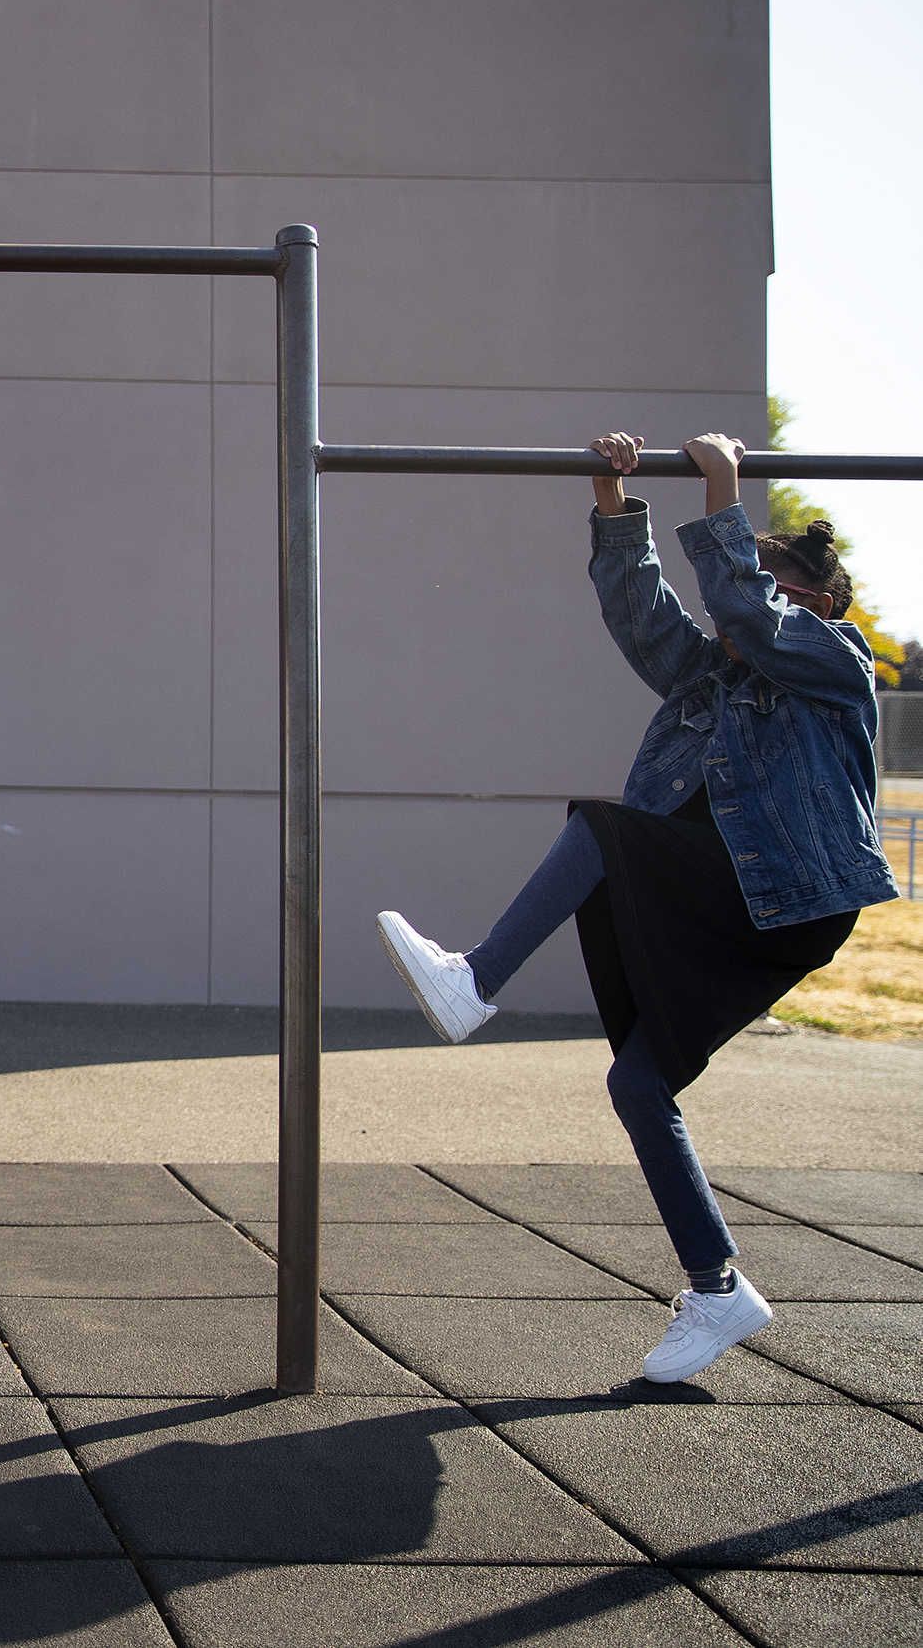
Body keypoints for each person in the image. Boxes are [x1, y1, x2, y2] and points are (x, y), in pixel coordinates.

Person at [378, 430, 897, 1381]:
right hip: (724, 904)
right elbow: (646, 617)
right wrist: (614, 498)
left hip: (796, 897)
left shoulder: (834, 667)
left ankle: (476, 980)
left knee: (604, 830)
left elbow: (743, 597)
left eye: (771, 595)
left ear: (816, 603)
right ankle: (716, 1287)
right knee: (638, 1084)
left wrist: (726, 485)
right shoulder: (714, 676)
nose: (737, 620)